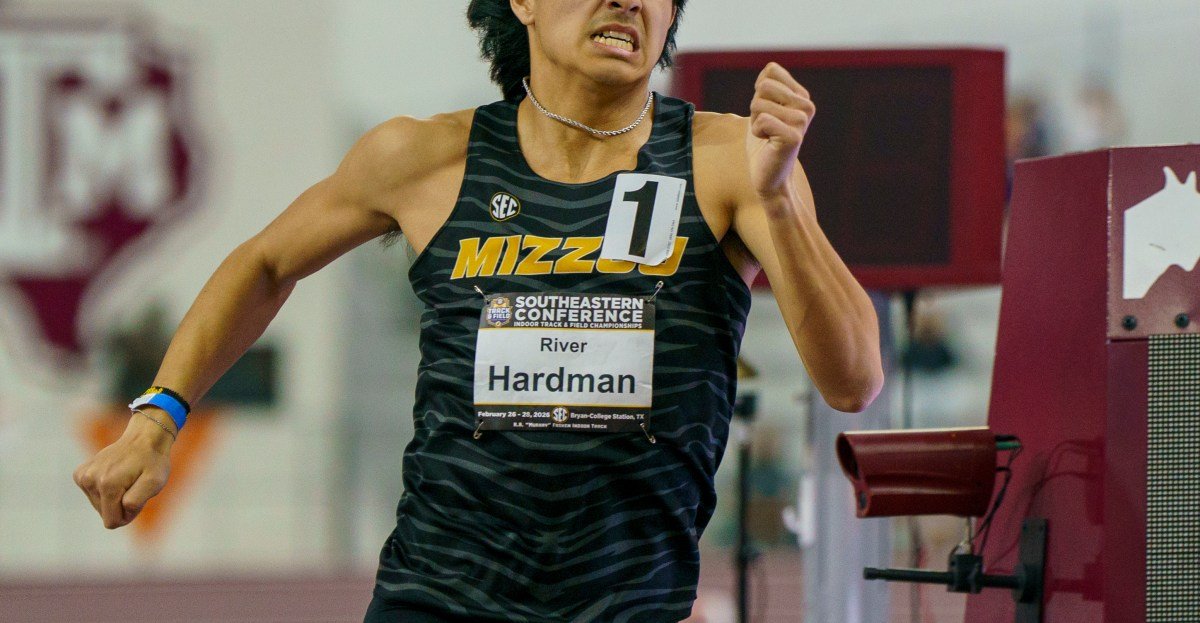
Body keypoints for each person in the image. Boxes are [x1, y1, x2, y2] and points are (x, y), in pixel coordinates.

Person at [73, 0, 883, 620]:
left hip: (630, 604)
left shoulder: (731, 161)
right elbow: (264, 262)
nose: (626, 0)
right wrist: (158, 416)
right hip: (435, 596)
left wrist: (781, 204)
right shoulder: (426, 159)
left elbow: (854, 381)